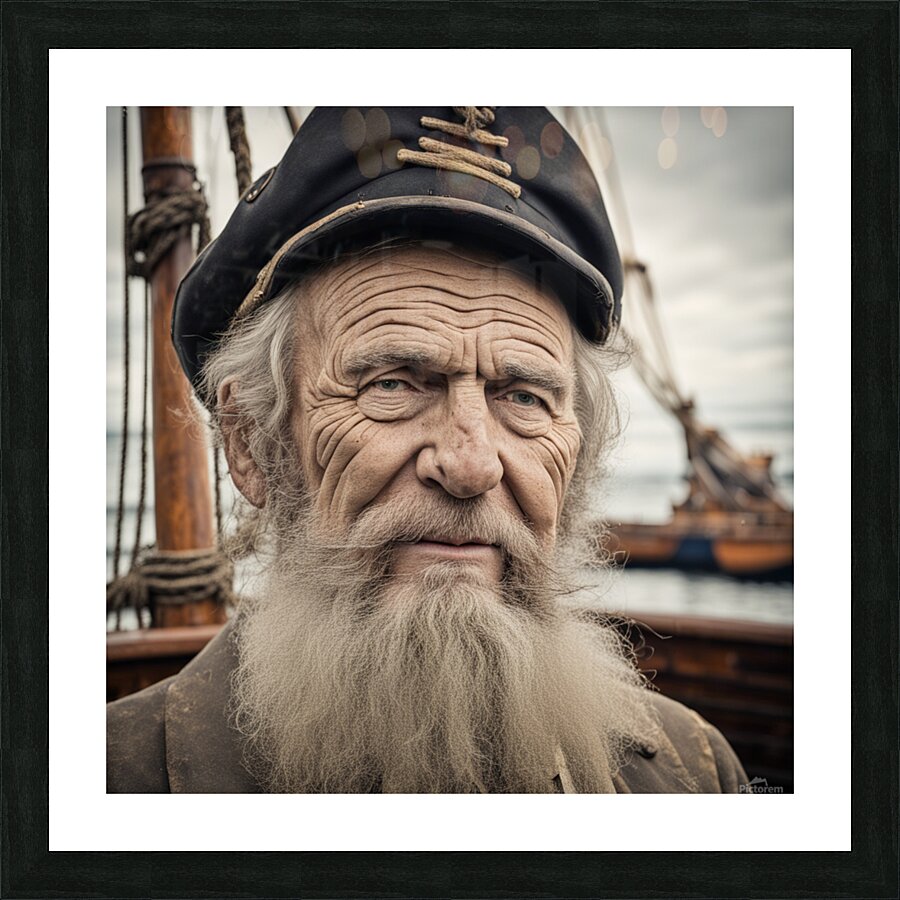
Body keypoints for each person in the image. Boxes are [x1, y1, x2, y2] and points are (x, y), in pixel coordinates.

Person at [107, 107, 747, 793]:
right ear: (252, 446)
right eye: (393, 384)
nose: (471, 465)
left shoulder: (693, 775)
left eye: (524, 397)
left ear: (578, 458)